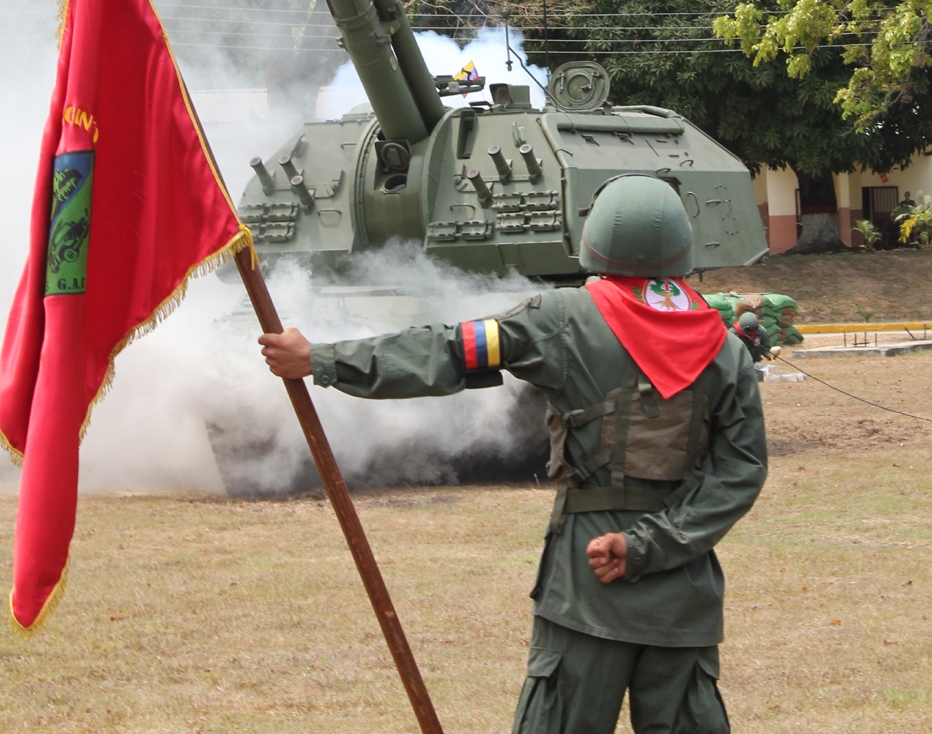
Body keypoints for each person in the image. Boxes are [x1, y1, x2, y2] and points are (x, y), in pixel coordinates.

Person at [260, 174, 768, 734]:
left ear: (596, 237)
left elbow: (451, 351)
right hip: (683, 593)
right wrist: (651, 546)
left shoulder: (560, 319)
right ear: (680, 245)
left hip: (586, 584)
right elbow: (740, 472)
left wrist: (325, 359)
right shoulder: (724, 347)